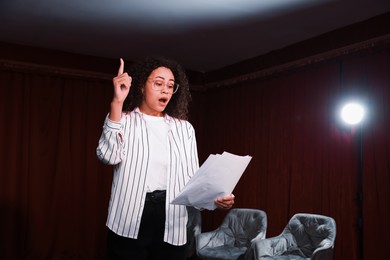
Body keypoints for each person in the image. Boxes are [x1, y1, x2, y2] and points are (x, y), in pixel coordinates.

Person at [96, 56, 235, 260]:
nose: (166, 90)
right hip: (129, 215)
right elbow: (108, 156)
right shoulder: (123, 120)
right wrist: (117, 102)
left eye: (171, 86)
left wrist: (215, 199)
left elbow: (192, 180)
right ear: (142, 86)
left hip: (172, 217)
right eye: (158, 83)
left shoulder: (184, 129)